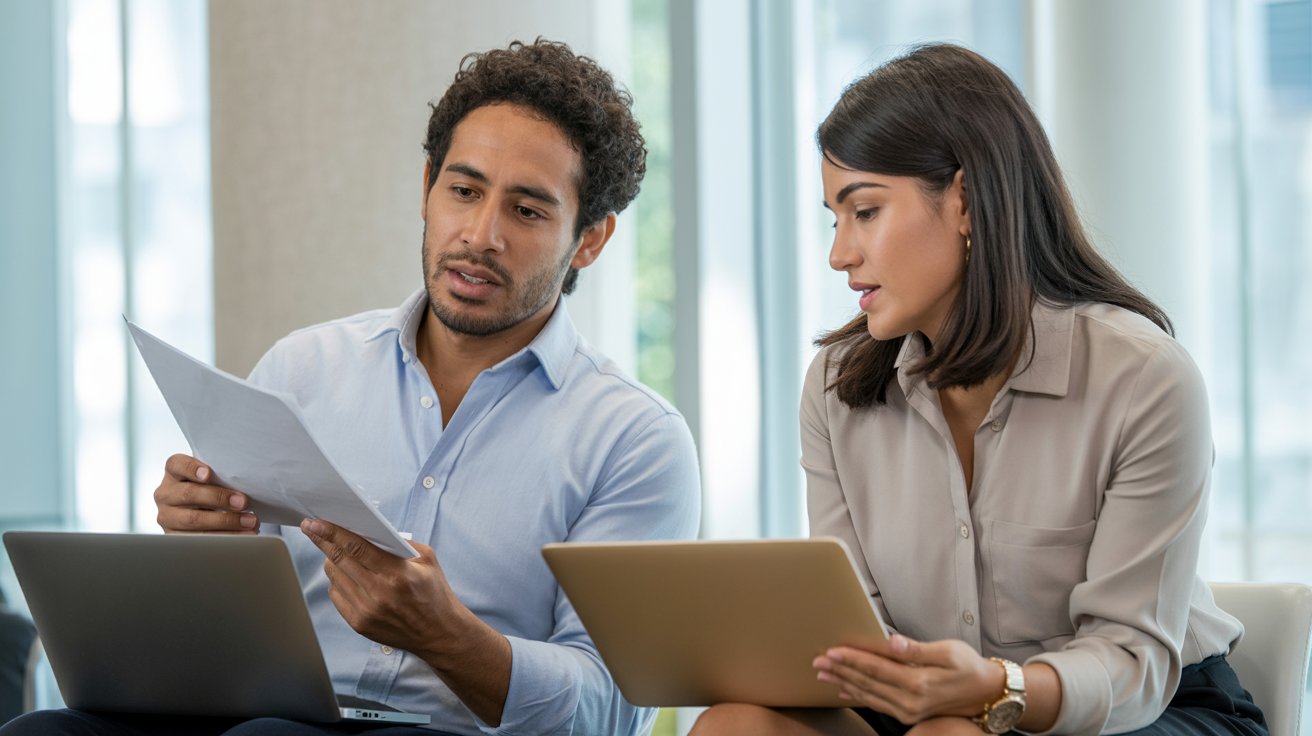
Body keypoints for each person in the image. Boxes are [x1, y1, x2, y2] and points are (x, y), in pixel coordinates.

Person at [1, 38, 700, 736]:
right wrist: (201, 538)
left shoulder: (635, 440)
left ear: (589, 241)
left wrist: (450, 637)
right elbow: (222, 616)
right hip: (263, 714)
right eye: (463, 190)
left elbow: (611, 710)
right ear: (427, 187)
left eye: (527, 211)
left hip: (440, 732)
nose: (481, 235)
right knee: (40, 731)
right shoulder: (304, 368)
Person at [691, 44, 1265, 736]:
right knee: (737, 725)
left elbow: (1132, 661)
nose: (840, 254)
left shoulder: (1143, 378)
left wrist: (996, 688)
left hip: (1147, 711)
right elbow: (858, 627)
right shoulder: (838, 388)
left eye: (864, 211)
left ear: (964, 200)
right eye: (833, 219)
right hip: (935, 712)